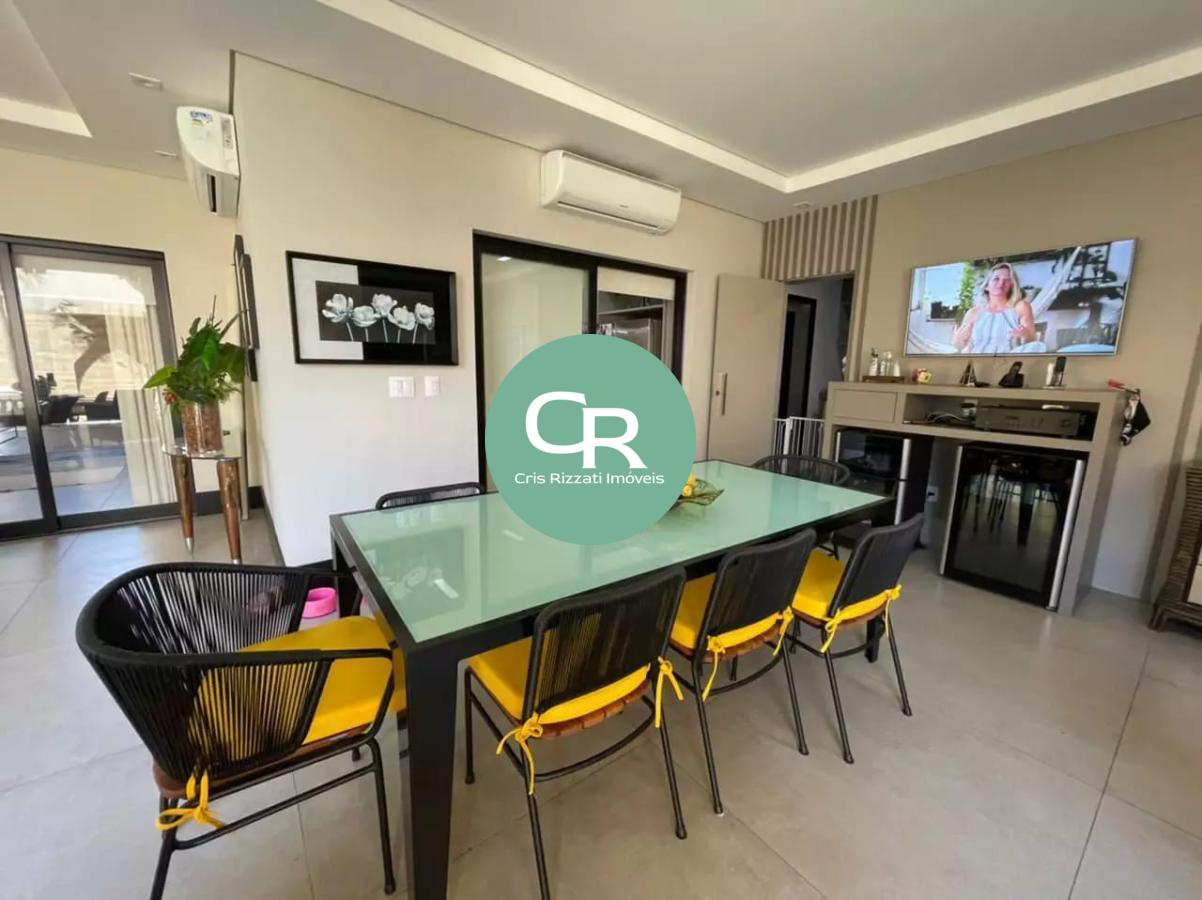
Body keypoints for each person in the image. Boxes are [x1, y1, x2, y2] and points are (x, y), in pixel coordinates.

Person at [952, 262, 1036, 353]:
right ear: (987, 286)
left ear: (1012, 285)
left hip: (1008, 359)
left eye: (1007, 280)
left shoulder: (1020, 307)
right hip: (976, 358)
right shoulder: (973, 312)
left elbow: (1032, 340)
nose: (1001, 283)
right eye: (996, 279)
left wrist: (1025, 334)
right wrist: (958, 340)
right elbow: (959, 346)